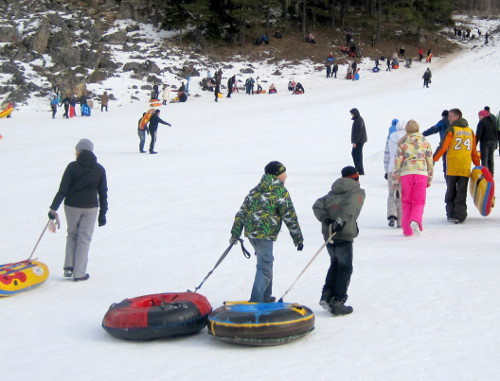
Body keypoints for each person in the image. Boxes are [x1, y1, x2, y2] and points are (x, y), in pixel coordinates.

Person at [230, 161, 304, 303]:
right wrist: (298, 239)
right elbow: (289, 216)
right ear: (277, 175)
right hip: (264, 235)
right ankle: (256, 302)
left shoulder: (256, 189)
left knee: (266, 263)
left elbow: (242, 212)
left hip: (252, 234)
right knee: (264, 268)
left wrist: (235, 233)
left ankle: (265, 297)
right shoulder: (279, 192)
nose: (286, 176)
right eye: (284, 173)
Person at [48, 138, 108, 282]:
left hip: (72, 206)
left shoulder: (72, 167)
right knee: (84, 239)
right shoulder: (99, 169)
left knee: (72, 234)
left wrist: (53, 208)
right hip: (91, 207)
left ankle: (68, 266)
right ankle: (79, 273)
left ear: (80, 151)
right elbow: (103, 192)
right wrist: (103, 213)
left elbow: (63, 189)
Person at [312, 166, 365, 316]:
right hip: (343, 234)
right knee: (345, 267)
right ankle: (338, 301)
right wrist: (339, 222)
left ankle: (326, 295)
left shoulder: (332, 192)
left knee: (335, 264)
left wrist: (325, 218)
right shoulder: (357, 192)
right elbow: (351, 208)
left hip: (329, 235)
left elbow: (317, 205)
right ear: (356, 178)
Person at [433, 109, 480, 223]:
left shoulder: (452, 130)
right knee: (462, 192)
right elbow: (474, 151)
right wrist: (478, 165)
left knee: (451, 190)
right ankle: (460, 215)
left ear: (457, 117)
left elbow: (443, 147)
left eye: (451, 116)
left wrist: (433, 160)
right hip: (464, 167)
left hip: (452, 167)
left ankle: (451, 213)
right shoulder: (470, 131)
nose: (449, 118)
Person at [392, 120, 434, 236]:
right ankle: (415, 220)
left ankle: (407, 230)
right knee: (419, 201)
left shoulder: (403, 142)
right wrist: (429, 177)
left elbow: (397, 162)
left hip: (406, 174)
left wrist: (395, 179)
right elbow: (430, 161)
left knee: (406, 202)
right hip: (421, 173)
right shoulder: (425, 142)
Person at [383, 119, 406, 227]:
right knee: (402, 195)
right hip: (403, 169)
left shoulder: (390, 138)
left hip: (391, 168)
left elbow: (386, 156)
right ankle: (401, 221)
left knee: (391, 194)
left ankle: (392, 214)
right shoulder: (407, 139)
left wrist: (386, 170)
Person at [422, 110, 450, 176]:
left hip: (444, 145)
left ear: (443, 116)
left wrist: (423, 134)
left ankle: (428, 173)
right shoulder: (454, 122)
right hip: (454, 145)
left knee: (439, 158)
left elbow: (433, 129)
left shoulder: (442, 122)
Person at [475, 110, 498, 174]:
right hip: (493, 142)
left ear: (483, 115)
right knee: (490, 157)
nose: (479, 117)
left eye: (480, 115)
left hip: (485, 142)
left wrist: (475, 144)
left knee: (484, 158)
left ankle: (484, 173)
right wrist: (496, 142)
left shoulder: (481, 122)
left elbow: (478, 134)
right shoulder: (493, 122)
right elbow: (496, 132)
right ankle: (491, 172)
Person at [350, 108, 367, 175]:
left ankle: (359, 170)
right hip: (360, 140)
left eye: (352, 114)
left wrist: (354, 142)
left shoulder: (358, 120)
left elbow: (357, 132)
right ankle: (358, 169)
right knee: (356, 154)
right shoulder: (358, 119)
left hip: (359, 141)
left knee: (356, 154)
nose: (351, 115)